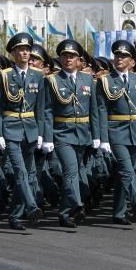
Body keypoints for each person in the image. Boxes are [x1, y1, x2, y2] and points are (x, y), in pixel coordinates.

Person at [41, 39, 98, 228]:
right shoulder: (52, 80)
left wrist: (97, 136)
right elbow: (47, 111)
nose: (67, 59)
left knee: (71, 174)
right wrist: (47, 137)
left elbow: (94, 111)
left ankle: (64, 213)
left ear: (78, 59)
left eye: (71, 56)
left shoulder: (88, 80)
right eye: (64, 56)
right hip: (62, 133)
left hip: (82, 133)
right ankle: (77, 206)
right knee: (71, 170)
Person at [95, 39, 136, 225]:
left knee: (124, 173)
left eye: (124, 56)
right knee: (127, 169)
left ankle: (119, 213)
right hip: (115, 132)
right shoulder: (105, 81)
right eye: (117, 55)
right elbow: (101, 111)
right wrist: (103, 138)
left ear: (132, 61)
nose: (120, 58)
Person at [0, 34, 46, 230]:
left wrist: (41, 133)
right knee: (20, 171)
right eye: (20, 50)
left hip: (31, 128)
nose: (25, 53)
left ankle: (15, 216)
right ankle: (32, 207)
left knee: (27, 174)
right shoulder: (5, 75)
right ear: (14, 53)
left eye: (27, 50)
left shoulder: (38, 75)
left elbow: (40, 108)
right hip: (11, 128)